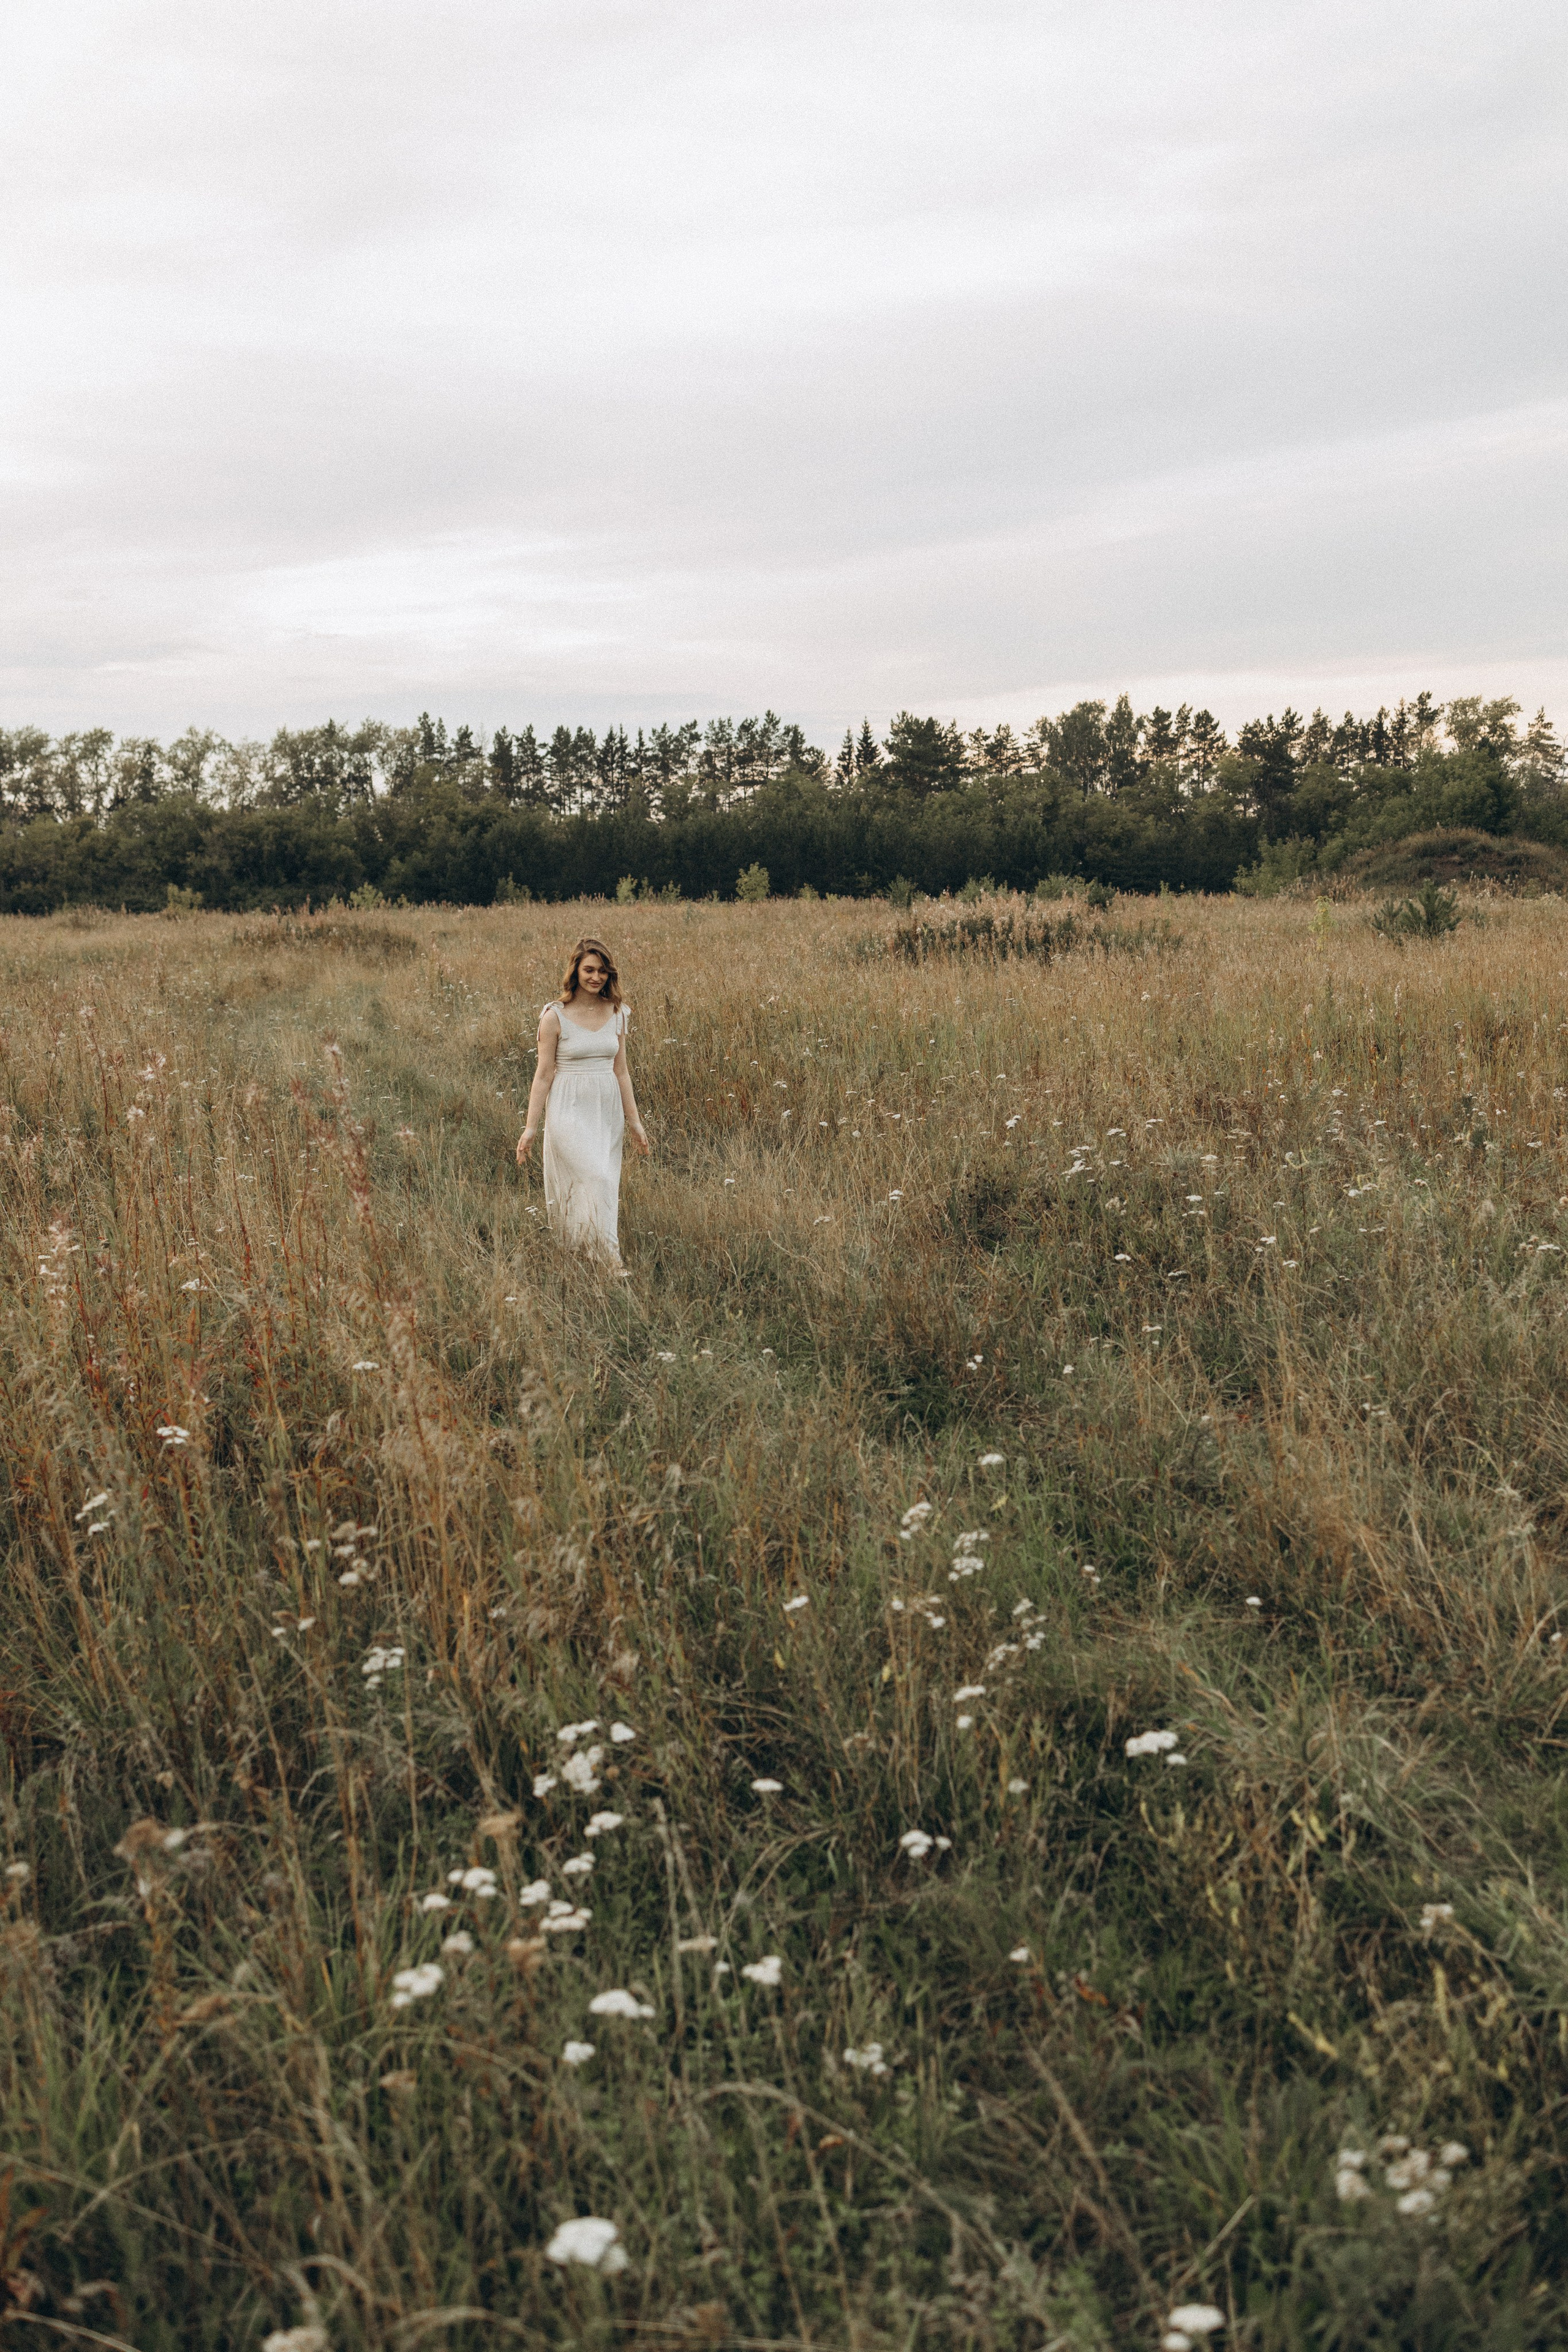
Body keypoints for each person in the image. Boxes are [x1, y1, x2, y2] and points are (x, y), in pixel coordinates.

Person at [516, 936, 649, 1268]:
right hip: (568, 1107)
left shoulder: (618, 1013)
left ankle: (584, 1253)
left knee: (604, 1180)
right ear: (575, 970)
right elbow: (543, 1074)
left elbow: (622, 1072)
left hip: (607, 1110)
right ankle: (610, 1263)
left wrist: (635, 1124)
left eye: (603, 971)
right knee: (595, 1178)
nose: (596, 977)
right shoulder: (554, 1016)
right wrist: (530, 1128)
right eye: (589, 969)